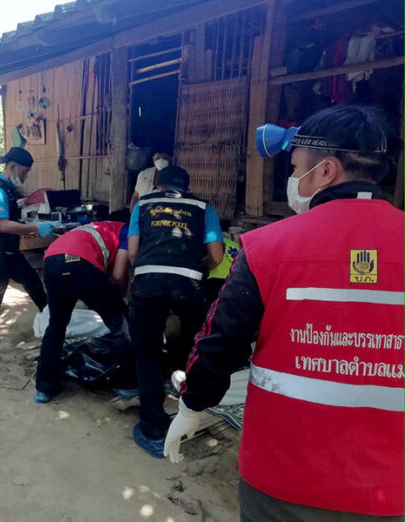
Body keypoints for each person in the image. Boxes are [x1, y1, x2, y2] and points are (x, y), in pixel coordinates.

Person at [164, 106, 404, 521]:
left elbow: (219, 343)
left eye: (294, 168)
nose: (292, 180)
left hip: (283, 482)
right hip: (388, 489)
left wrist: (191, 407)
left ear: (326, 171)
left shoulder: (265, 247)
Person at [127, 165, 223, 458]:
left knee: (147, 354)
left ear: (158, 185)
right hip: (190, 285)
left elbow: (132, 253)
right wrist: (196, 269)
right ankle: (190, 408)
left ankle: (153, 429)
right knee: (194, 346)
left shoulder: (142, 205)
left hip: (148, 282)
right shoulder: (203, 207)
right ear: (187, 186)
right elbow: (217, 256)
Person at [0, 147, 57, 362]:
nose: (26, 176)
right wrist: (36, 229)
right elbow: (4, 225)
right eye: (25, 171)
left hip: (8, 249)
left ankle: (55, 324)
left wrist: (31, 224)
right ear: (13, 167)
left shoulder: (6, 189)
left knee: (33, 282)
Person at [35, 210, 135, 403]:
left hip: (52, 261)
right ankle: (129, 385)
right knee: (120, 322)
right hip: (80, 264)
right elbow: (117, 276)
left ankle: (44, 388)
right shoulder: (126, 231)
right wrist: (120, 298)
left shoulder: (96, 229)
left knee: (56, 325)